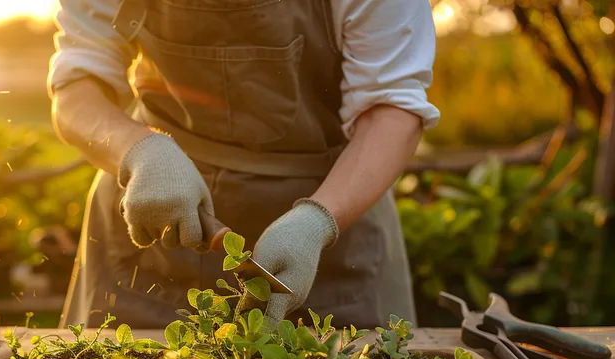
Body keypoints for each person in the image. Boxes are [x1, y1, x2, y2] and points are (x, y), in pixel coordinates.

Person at [49, 0, 440, 330]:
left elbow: (393, 107)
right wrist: (140, 151)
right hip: (160, 199)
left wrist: (318, 221)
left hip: (334, 207)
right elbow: (77, 87)